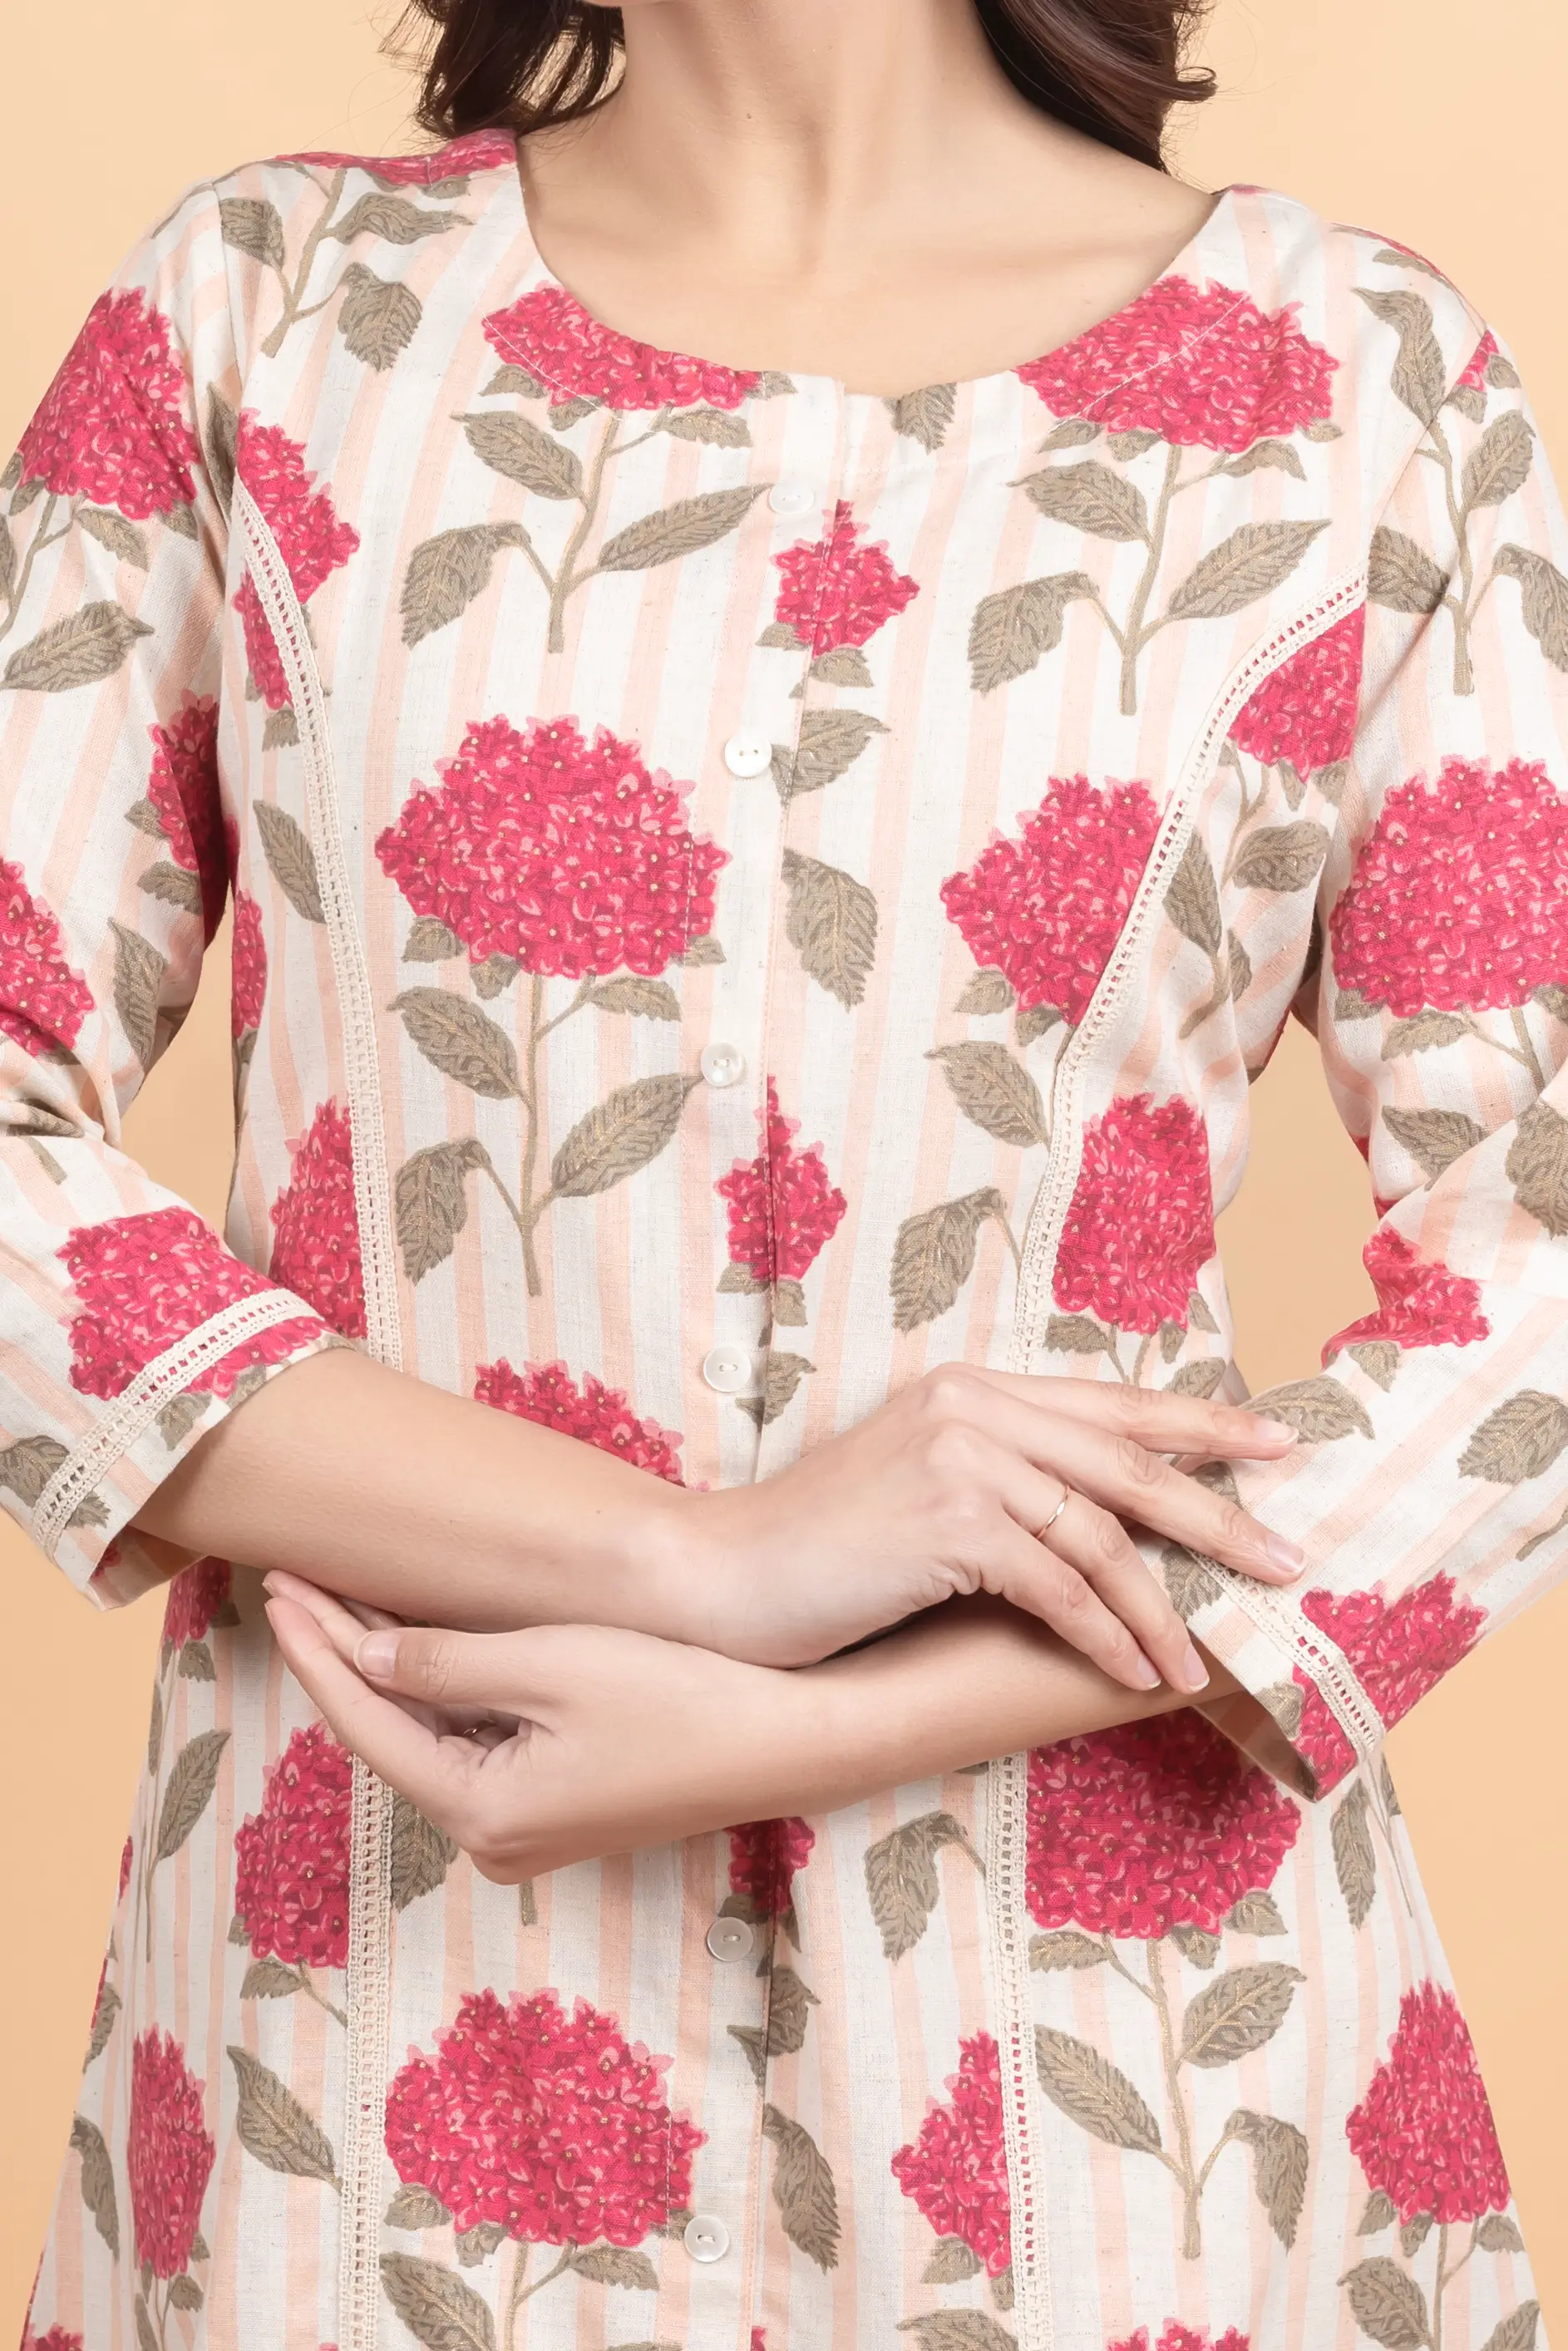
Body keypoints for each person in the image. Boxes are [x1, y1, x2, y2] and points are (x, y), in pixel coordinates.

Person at [6, 0, 1565, 2340]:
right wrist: (701, 1561)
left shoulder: (1360, 391)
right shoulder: (265, 319)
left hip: (1110, 2103)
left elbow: (1536, 1281)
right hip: (367, 2052)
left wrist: (821, 1718)